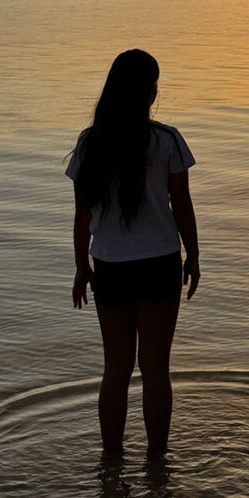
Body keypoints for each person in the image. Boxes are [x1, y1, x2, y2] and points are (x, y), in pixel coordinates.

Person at [67, 49, 200, 458]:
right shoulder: (166, 140)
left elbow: (82, 216)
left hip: (110, 267)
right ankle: (157, 463)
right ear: (150, 91)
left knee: (117, 370)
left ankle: (112, 463)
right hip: (159, 265)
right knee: (156, 370)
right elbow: (182, 205)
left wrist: (80, 267)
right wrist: (193, 256)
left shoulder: (91, 144)